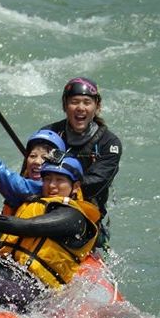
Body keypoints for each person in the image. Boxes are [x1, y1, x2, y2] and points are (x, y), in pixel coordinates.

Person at [0, 157, 100, 309]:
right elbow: (3, 240)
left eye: (59, 180)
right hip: (0, 270)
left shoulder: (73, 217)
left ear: (75, 186)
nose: (52, 185)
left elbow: (26, 227)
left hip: (28, 286)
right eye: (47, 179)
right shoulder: (37, 205)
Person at [42, 76, 121, 246]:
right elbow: (30, 174)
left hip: (85, 218)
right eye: (74, 102)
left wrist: (62, 187)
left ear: (97, 107)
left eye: (87, 102)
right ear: (65, 105)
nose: (80, 108)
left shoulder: (109, 143)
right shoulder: (49, 134)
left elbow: (96, 183)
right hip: (44, 208)